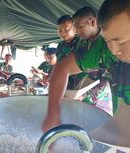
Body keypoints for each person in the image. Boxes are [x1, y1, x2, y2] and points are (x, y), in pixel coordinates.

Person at [42, 0, 130, 132]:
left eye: (121, 42)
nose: (113, 50)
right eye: (108, 41)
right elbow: (61, 68)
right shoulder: (101, 48)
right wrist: (53, 114)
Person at [56, 14, 112, 115]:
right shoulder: (82, 43)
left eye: (79, 27)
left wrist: (87, 96)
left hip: (97, 97)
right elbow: (62, 67)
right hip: (76, 92)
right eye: (60, 30)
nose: (63, 33)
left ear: (93, 22)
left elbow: (105, 79)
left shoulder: (106, 43)